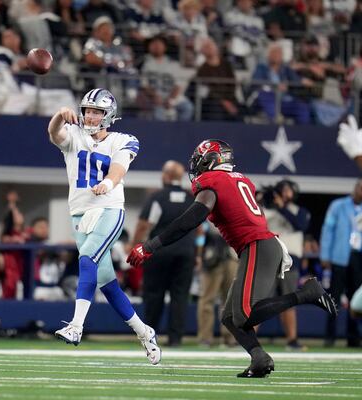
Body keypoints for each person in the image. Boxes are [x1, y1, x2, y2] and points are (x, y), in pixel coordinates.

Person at [127, 139, 337, 377]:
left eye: (199, 161)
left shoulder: (211, 181)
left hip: (257, 245)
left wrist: (151, 245)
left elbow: (193, 218)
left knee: (244, 314)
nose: (196, 166)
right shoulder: (239, 179)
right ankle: (259, 358)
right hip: (259, 246)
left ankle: (307, 294)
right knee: (229, 317)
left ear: (211, 160)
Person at [48, 88, 161, 365]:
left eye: (96, 111)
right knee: (106, 283)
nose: (90, 115)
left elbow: (118, 169)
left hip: (108, 209)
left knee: (86, 259)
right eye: (87, 110)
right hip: (79, 214)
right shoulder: (74, 135)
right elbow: (54, 135)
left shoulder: (123, 140)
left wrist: (108, 183)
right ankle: (144, 332)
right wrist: (57, 117)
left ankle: (76, 326)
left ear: (108, 114)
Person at [131, 160, 202, 346]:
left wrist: (135, 245)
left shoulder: (157, 197)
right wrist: (199, 253)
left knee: (154, 295)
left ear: (167, 176)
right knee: (180, 296)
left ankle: (149, 336)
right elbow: (201, 231)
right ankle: (175, 339)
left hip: (158, 253)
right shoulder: (191, 198)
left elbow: (144, 225)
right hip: (186, 253)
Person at [263, 179, 311, 350]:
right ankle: (247, 337)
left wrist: (281, 207)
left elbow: (300, 225)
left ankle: (292, 340)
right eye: (282, 190)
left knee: (289, 300)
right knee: (260, 300)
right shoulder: (267, 211)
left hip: (290, 259)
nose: (285, 193)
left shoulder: (300, 211)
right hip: (269, 258)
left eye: (288, 190)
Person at [320, 179, 362, 347]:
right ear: (355, 188)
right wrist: (325, 255)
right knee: (333, 298)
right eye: (360, 187)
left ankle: (353, 337)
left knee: (356, 300)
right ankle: (330, 336)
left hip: (358, 257)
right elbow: (327, 230)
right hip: (339, 256)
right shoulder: (338, 205)